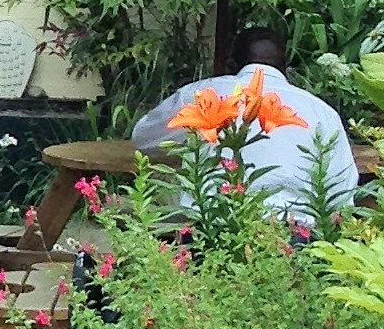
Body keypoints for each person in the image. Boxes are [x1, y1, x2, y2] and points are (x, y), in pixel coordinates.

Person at [131, 28, 358, 218]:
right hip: (294, 231)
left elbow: (143, 137)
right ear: (286, 68)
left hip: (212, 224)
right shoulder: (320, 111)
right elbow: (342, 189)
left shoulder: (198, 94)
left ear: (230, 65)